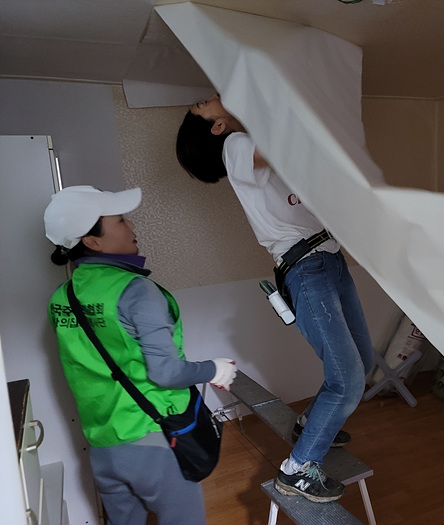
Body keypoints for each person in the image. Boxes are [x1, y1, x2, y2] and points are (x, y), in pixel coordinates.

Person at [176, 93, 374, 503]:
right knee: (349, 379)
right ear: (216, 127)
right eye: (203, 105)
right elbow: (277, 149)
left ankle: (307, 426)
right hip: (308, 267)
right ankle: (297, 470)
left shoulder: (241, 141)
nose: (209, 97)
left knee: (361, 362)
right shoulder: (234, 145)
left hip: (328, 259)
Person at [44, 185, 238, 525]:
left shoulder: (62, 297)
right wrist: (214, 369)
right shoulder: (136, 290)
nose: (132, 226)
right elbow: (166, 373)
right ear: (92, 242)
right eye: (121, 221)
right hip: (152, 439)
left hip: (103, 445)